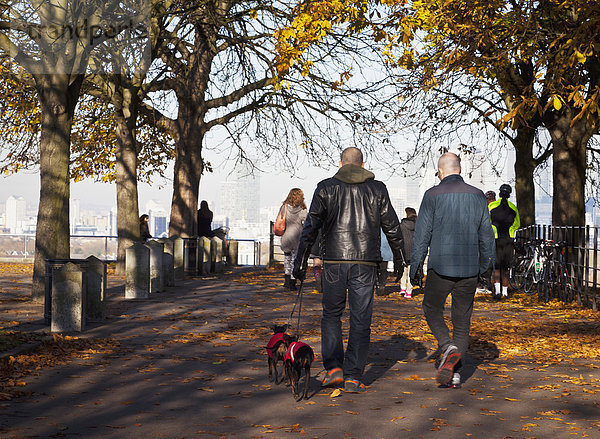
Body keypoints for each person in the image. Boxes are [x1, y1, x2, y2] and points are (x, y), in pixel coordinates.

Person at [293, 147, 404, 393]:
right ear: (363, 164)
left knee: (331, 315)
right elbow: (392, 227)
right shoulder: (378, 189)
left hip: (333, 260)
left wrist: (300, 261)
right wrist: (401, 261)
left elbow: (310, 227)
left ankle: (334, 369)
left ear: (340, 162)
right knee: (360, 318)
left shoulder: (325, 187)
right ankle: (354, 376)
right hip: (365, 262)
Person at [410, 152, 495, 388]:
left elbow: (422, 235)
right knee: (462, 320)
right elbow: (487, 235)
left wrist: (415, 266)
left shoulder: (432, 195)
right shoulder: (478, 196)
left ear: (440, 171)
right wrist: (486, 266)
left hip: (440, 267)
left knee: (430, 307)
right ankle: (456, 374)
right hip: (468, 268)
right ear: (460, 170)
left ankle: (447, 347)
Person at [488, 184, 520, 300]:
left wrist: (494, 230)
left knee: (496, 266)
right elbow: (517, 224)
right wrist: (511, 230)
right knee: (505, 268)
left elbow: (487, 221)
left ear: (500, 193)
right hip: (508, 239)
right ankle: (505, 292)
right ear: (509, 194)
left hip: (496, 239)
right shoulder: (513, 207)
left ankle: (497, 292)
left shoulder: (492, 206)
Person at [280, 188, 308, 291]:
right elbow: (306, 222)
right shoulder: (302, 209)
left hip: (286, 236)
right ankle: (292, 282)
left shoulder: (284, 207)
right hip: (297, 237)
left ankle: (286, 280)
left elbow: (280, 219)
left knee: (287, 258)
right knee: (294, 259)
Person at [477, 191, 497, 294]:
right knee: (496, 262)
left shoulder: (485, 209)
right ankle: (497, 287)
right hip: (502, 237)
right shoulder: (499, 206)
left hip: (487, 237)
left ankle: (483, 284)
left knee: (484, 259)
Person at [399, 207, 418, 298]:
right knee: (412, 272)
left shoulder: (402, 224)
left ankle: (402, 287)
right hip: (415, 251)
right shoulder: (418, 224)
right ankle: (409, 292)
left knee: (403, 270)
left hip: (404, 250)